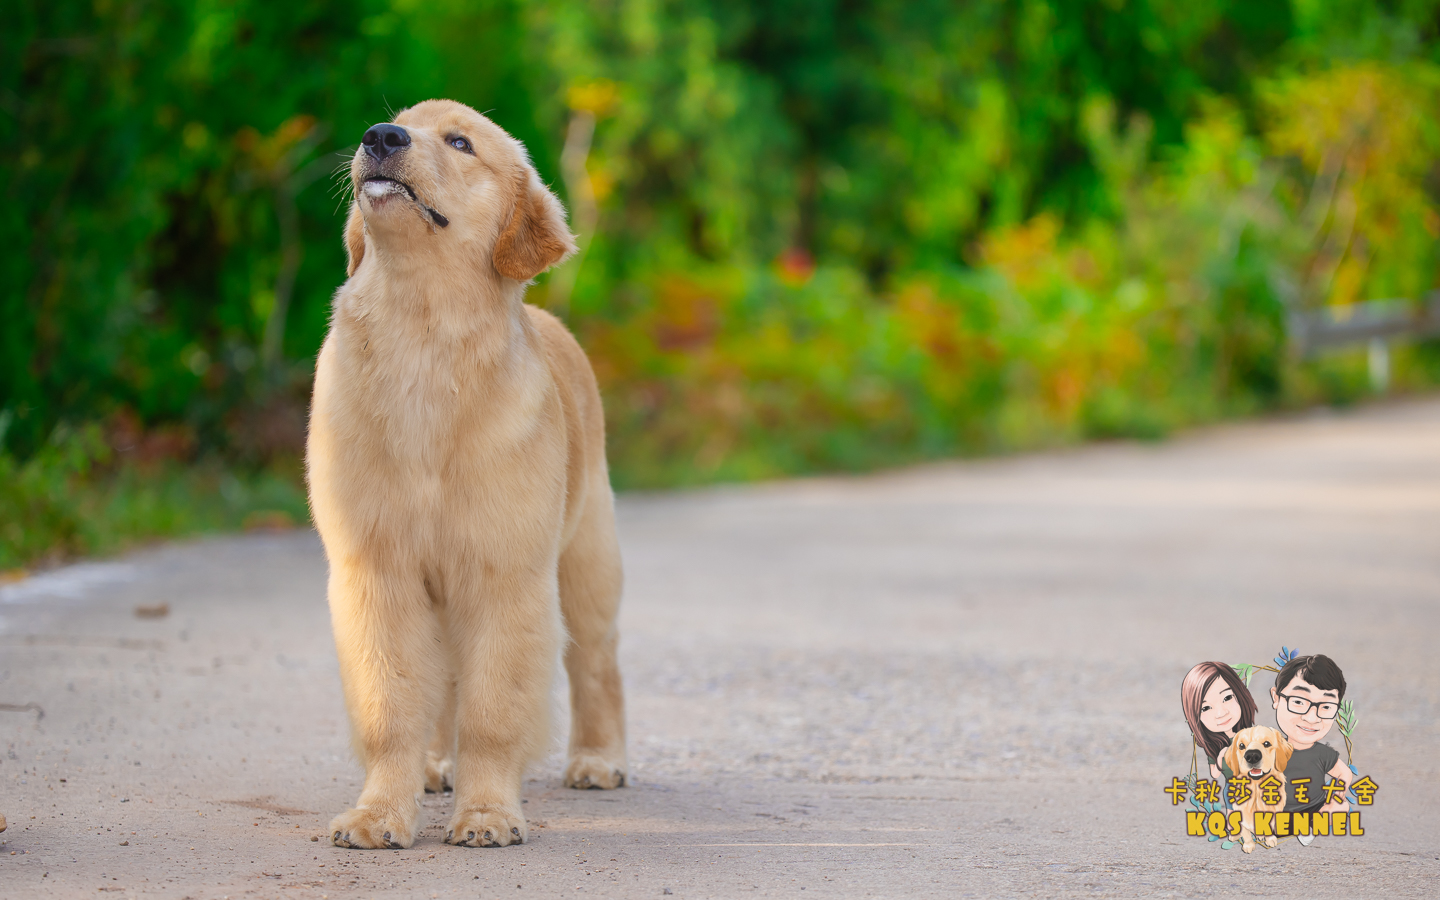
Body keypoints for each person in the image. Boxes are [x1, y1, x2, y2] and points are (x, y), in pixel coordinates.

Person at [1271, 654, 1352, 846]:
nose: (1311, 717)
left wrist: (1336, 794)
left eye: (1325, 706)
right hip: (1279, 810)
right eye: (1298, 702)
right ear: (1276, 698)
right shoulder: (1272, 748)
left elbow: (1344, 773)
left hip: (1314, 809)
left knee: (1342, 806)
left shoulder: (1323, 754)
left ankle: (1310, 827)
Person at [1181, 661, 1257, 784]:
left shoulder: (1250, 736)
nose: (1221, 713)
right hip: (1233, 790)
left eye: (1227, 698)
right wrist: (1221, 756)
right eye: (1205, 708)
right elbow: (1214, 774)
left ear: (1240, 694)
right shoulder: (1215, 746)